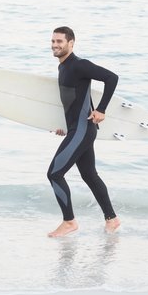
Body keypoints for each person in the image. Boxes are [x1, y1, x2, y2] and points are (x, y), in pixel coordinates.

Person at [47, 26, 121, 237]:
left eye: (59, 41)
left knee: (54, 174)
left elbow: (111, 78)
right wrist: (65, 125)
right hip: (78, 129)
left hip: (82, 130)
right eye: (53, 41)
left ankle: (69, 221)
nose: (55, 45)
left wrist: (102, 109)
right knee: (89, 175)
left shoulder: (79, 65)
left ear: (71, 43)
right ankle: (112, 219)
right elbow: (75, 101)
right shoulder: (63, 68)